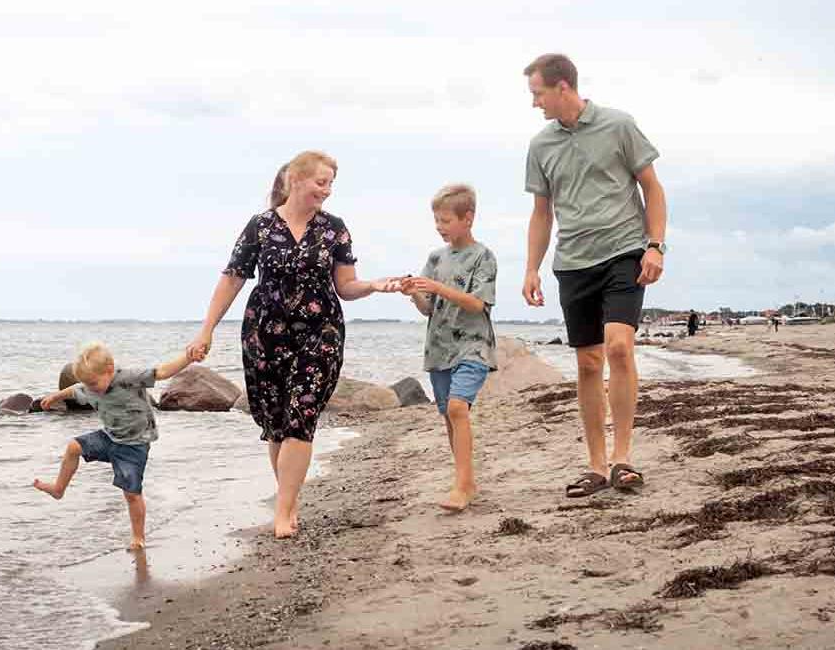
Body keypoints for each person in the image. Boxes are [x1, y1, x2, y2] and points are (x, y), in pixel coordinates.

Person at [186, 150, 401, 539]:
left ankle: (282, 513)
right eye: (322, 182)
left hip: (321, 333)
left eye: (331, 183)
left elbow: (345, 286)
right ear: (295, 180)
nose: (328, 191)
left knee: (301, 415)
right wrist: (207, 329)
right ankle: (290, 498)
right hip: (265, 334)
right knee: (276, 424)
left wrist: (373, 285)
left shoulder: (334, 228)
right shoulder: (261, 227)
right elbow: (232, 279)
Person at [519, 54, 668, 498]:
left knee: (620, 348)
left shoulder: (619, 125)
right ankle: (596, 465)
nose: (534, 103)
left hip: (625, 251)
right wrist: (531, 267)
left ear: (563, 86)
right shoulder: (540, 145)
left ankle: (623, 459)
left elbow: (652, 188)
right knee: (587, 363)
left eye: (537, 93)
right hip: (573, 262)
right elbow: (541, 213)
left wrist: (656, 245)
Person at [33, 342, 196, 550]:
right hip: (109, 437)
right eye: (88, 385)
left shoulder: (128, 378)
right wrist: (56, 396)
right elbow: (76, 390)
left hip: (134, 445)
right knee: (73, 447)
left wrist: (188, 358)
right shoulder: (90, 386)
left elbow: (162, 371)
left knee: (131, 494)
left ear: (110, 370)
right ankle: (58, 489)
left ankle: (138, 538)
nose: (90, 389)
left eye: (93, 383)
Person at [399, 184, 497, 512]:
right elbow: (428, 307)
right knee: (449, 416)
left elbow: (476, 304)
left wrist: (439, 287)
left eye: (445, 220)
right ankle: (465, 478)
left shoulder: (483, 257)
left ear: (467, 218)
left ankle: (463, 486)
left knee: (458, 408)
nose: (439, 227)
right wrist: (413, 291)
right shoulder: (435, 258)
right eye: (436, 221)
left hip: (473, 346)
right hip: (439, 348)